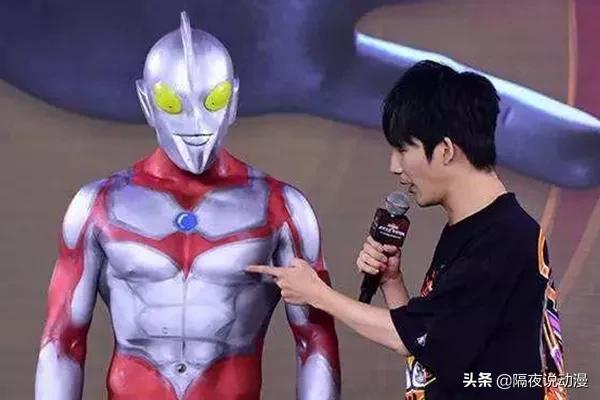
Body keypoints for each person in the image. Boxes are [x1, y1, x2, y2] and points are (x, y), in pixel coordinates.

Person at [34, 12, 340, 400]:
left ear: (234, 98)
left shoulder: (284, 209)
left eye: (213, 100)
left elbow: (315, 342)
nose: (196, 120)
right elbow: (62, 341)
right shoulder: (97, 206)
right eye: (172, 102)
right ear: (147, 101)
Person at [247, 60, 567, 399]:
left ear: (445, 151)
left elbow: (414, 337)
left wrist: (317, 294)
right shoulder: (474, 229)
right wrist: (391, 281)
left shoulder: (505, 239)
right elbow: (432, 346)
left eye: (402, 150)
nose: (394, 166)